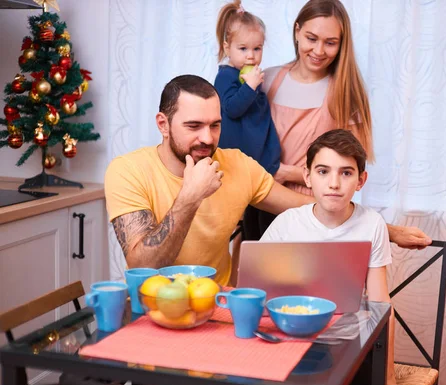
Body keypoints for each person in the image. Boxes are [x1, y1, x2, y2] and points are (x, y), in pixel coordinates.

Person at [105, 75, 311, 286]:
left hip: (217, 304)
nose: (208, 138)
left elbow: (309, 210)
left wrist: (337, 186)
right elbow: (143, 268)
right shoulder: (127, 170)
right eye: (194, 126)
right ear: (163, 125)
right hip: (150, 306)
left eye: (215, 125)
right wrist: (190, 197)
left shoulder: (238, 165)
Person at [260, 0, 431, 249]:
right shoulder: (267, 80)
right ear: (297, 31)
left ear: (342, 43)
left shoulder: (346, 92)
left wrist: (287, 172)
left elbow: (351, 169)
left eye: (330, 42)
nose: (319, 50)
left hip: (319, 211)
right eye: (311, 38)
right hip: (263, 201)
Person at [261, 129, 415, 385]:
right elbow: (258, 294)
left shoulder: (372, 225)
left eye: (346, 173)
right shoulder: (287, 223)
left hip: (347, 347)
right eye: (323, 172)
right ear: (307, 177)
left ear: (360, 180)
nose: (334, 183)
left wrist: (388, 379)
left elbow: (381, 306)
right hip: (290, 341)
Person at [214, 0, 281, 239]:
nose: (251, 57)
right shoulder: (225, 77)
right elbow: (232, 108)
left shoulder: (250, 74)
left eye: (257, 49)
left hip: (260, 155)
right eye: (243, 49)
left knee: (266, 211)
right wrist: (251, 86)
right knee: (253, 216)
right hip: (242, 157)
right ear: (227, 47)